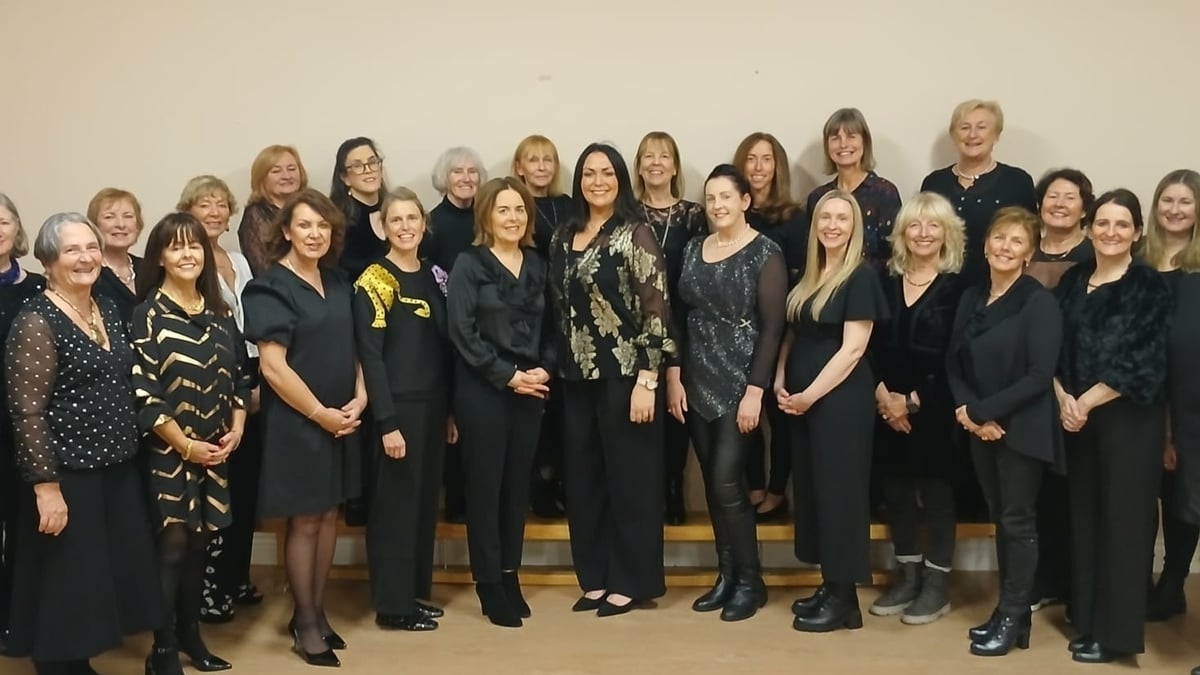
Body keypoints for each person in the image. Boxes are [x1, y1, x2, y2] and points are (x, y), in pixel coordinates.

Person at [5, 212, 161, 674]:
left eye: (90, 248)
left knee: (98, 576)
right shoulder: (35, 321)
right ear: (49, 261)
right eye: (72, 250)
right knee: (66, 581)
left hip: (114, 468)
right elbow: (26, 411)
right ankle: (58, 664)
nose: (86, 257)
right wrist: (45, 487)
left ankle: (79, 659)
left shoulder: (106, 309)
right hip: (67, 473)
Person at [548, 142, 674, 617]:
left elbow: (656, 309)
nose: (597, 181)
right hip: (575, 376)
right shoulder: (563, 235)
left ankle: (632, 580)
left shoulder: (635, 233)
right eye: (588, 173)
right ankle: (596, 576)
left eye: (606, 172)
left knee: (631, 481)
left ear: (620, 179)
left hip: (626, 375)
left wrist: (648, 378)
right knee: (584, 481)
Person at [243, 188, 366, 667]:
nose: (314, 233)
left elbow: (358, 347)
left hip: (342, 416)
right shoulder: (269, 286)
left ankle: (316, 611)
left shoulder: (338, 281)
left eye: (322, 226)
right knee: (306, 519)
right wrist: (320, 414)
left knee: (330, 513)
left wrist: (360, 398)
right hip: (300, 421)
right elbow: (273, 369)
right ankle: (306, 620)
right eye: (305, 225)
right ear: (287, 231)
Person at [131, 213, 252, 674]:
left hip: (217, 449)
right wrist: (184, 446)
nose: (187, 255)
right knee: (174, 545)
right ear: (160, 255)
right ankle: (161, 649)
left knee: (202, 545)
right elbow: (144, 392)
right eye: (176, 247)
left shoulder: (219, 310)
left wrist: (237, 427)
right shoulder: (147, 314)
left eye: (195, 246)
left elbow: (242, 375)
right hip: (169, 450)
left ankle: (191, 637)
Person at [1055, 189, 1172, 663]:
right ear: (1088, 228)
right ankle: (1088, 619)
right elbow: (1053, 347)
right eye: (1102, 223)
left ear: (1137, 233)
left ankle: (1118, 635)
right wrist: (1062, 395)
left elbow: (1145, 361)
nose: (1110, 232)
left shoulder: (1147, 284)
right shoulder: (1073, 279)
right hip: (1077, 419)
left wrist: (1085, 400)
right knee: (1084, 520)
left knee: (1123, 527)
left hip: (1128, 421)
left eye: (1121, 225)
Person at [667, 164, 786, 621]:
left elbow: (773, 328)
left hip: (741, 380)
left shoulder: (765, 253)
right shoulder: (696, 248)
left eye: (726, 197)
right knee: (715, 490)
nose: (718, 205)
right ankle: (728, 575)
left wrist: (756, 391)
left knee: (727, 481)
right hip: (696, 378)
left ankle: (751, 582)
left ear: (745, 201)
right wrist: (675, 373)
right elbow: (678, 313)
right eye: (711, 198)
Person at [945, 207, 1064, 656]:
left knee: (1018, 522)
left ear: (1028, 253)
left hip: (1022, 429)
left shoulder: (1039, 301)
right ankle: (1007, 612)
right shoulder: (973, 295)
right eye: (999, 237)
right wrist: (968, 412)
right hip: (980, 427)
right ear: (986, 243)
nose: (1005, 247)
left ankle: (1016, 614)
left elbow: (1039, 375)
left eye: (1016, 241)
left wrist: (982, 411)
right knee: (1001, 519)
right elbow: (953, 360)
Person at [777, 190, 889, 633]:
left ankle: (846, 601)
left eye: (843, 218)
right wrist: (782, 378)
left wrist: (809, 396)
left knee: (841, 495)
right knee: (816, 492)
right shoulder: (810, 275)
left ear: (855, 226)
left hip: (840, 401)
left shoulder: (859, 277)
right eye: (826, 217)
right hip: (805, 400)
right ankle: (830, 583)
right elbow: (794, 333)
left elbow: (853, 349)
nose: (833, 225)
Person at [449, 177, 552, 628]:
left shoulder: (536, 263)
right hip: (484, 389)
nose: (513, 218)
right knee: (486, 489)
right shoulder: (469, 264)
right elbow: (462, 333)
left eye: (519, 210)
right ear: (487, 216)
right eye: (504, 210)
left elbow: (554, 328)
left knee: (516, 491)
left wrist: (544, 370)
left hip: (531, 389)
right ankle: (489, 583)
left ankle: (510, 574)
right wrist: (508, 376)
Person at [353, 187, 454, 632]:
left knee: (421, 506)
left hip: (433, 408)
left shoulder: (436, 275)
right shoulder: (374, 280)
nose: (406, 226)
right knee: (394, 509)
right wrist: (386, 422)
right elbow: (370, 355)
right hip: (397, 410)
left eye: (413, 218)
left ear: (423, 223)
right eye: (396, 220)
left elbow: (445, 348)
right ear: (383, 227)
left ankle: (414, 593)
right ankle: (392, 606)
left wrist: (449, 411)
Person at [867, 192, 965, 625]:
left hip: (938, 408)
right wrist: (885, 398)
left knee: (939, 496)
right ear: (902, 233)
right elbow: (865, 343)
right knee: (897, 493)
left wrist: (912, 401)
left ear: (947, 234)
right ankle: (907, 576)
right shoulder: (883, 280)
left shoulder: (961, 285)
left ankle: (936, 585)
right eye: (915, 225)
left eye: (933, 226)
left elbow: (960, 354)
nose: (923, 234)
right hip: (885, 405)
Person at [176, 175, 266, 623]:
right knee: (216, 491)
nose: (213, 212)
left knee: (247, 487)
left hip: (248, 374)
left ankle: (236, 575)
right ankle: (209, 591)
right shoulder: (184, 261)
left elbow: (249, 324)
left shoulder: (238, 260)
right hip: (208, 384)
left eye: (219, 205)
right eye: (203, 205)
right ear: (187, 212)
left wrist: (254, 382)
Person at [1025, 168, 1094, 616]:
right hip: (1030, 386)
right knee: (1038, 492)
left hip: (1077, 388)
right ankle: (1043, 579)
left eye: (1070, 198)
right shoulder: (1023, 250)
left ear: (1084, 207)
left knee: (1076, 492)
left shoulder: (1094, 253)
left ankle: (1078, 587)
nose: (1060, 203)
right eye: (1053, 196)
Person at [733, 131, 807, 521]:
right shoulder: (731, 213)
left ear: (777, 167)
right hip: (737, 332)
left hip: (783, 329)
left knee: (779, 417)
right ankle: (755, 488)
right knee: (744, 418)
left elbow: (800, 282)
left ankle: (777, 492)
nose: (758, 167)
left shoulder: (794, 219)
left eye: (766, 159)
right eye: (751, 159)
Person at [636, 131, 707, 525]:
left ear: (675, 166)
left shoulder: (695, 215)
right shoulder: (627, 212)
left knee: (678, 408)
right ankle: (648, 491)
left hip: (684, 322)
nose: (656, 163)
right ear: (640, 166)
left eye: (664, 156)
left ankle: (674, 488)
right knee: (643, 409)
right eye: (648, 156)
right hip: (641, 324)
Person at [1142, 169, 1200, 623]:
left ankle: (1174, 581)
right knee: (1145, 498)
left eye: (1184, 202)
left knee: (1184, 497)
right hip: (1140, 399)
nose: (1174, 210)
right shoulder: (1141, 260)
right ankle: (1137, 582)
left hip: (1190, 403)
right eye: (1167, 201)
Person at [421, 146, 487, 524]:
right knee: (452, 417)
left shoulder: (486, 219)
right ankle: (456, 500)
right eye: (458, 172)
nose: (466, 178)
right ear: (444, 177)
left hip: (485, 330)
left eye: (472, 171)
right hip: (444, 330)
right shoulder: (431, 223)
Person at [511, 134, 573, 518]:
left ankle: (555, 481)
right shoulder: (512, 205)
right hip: (527, 312)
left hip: (563, 315)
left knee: (562, 413)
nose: (541, 167)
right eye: (532, 160)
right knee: (532, 408)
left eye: (548, 160)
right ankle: (534, 485)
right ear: (519, 167)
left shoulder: (568, 206)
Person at [920, 100, 1037, 284]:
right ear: (954, 135)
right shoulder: (934, 183)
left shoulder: (1017, 181)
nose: (972, 135)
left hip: (998, 287)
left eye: (981, 127)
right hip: (939, 288)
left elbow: (1031, 239)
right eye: (964, 127)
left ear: (996, 134)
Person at [0, 193, 45, 651]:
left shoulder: (35, 288)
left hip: (24, 429)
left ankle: (15, 619)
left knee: (25, 527)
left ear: (17, 229)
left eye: (3, 220)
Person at [805, 108, 902, 271]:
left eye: (851, 136)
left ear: (864, 142)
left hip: (872, 289)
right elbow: (812, 255)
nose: (843, 144)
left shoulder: (885, 193)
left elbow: (895, 255)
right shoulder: (818, 197)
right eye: (835, 138)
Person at [238, 144, 309, 277]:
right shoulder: (256, 214)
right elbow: (263, 269)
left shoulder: (311, 207)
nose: (287, 176)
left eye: (292, 169)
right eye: (276, 171)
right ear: (262, 178)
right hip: (280, 290)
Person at [331, 136, 388, 282]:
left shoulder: (394, 212)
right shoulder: (338, 221)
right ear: (345, 178)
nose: (368, 170)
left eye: (372, 162)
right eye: (357, 166)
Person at [88, 187, 145, 326]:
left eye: (128, 216)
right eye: (109, 217)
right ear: (94, 226)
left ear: (137, 225)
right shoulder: (89, 273)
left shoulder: (149, 268)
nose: (120, 224)